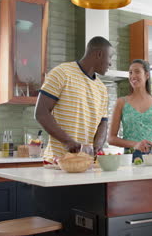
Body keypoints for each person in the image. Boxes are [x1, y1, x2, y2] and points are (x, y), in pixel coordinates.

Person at [35, 36, 113, 164]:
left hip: (87, 165)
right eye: (110, 57)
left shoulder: (102, 88)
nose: (110, 63)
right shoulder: (62, 73)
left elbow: (103, 123)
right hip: (58, 164)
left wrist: (97, 146)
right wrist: (68, 142)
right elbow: (41, 112)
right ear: (99, 54)